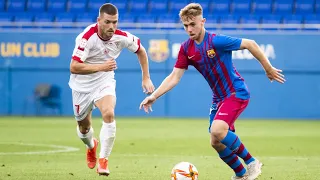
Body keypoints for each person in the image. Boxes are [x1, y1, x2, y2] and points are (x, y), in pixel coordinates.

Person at [139, 3, 285, 180]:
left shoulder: (216, 41)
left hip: (235, 92)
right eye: (186, 26)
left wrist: (268, 68)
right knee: (215, 142)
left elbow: (250, 43)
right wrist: (153, 96)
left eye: (193, 24)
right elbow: (174, 77)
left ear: (203, 21)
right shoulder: (186, 49)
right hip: (219, 98)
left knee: (217, 130)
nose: (189, 29)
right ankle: (241, 175)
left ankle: (252, 162)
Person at [69, 3, 155, 176]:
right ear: (99, 20)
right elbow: (74, 66)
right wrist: (102, 66)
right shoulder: (86, 38)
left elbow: (141, 50)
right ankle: (91, 145)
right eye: (107, 22)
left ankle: (104, 161)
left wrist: (146, 77)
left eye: (115, 22)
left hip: (104, 81)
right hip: (82, 86)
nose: (112, 27)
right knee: (83, 128)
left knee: (108, 113)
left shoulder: (121, 37)